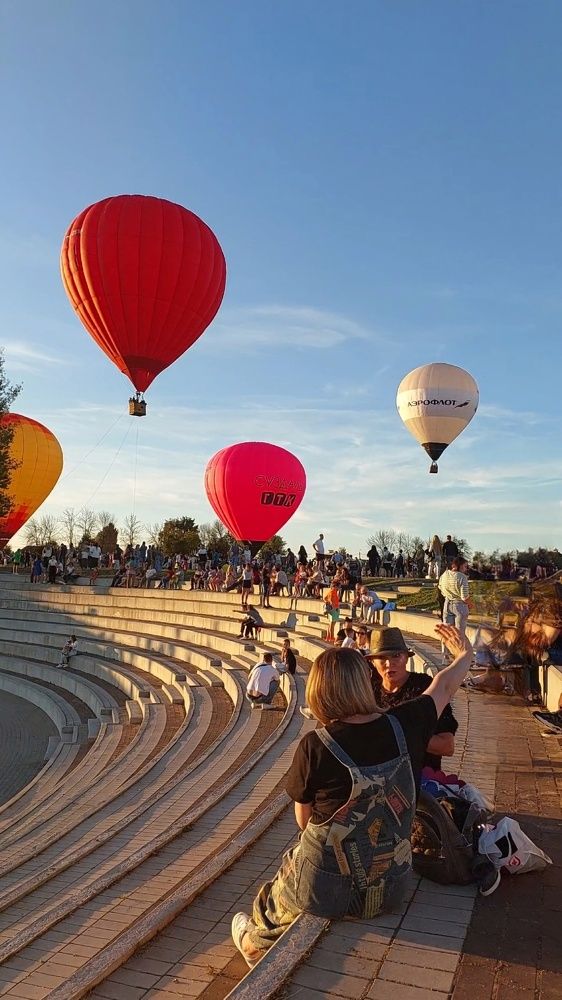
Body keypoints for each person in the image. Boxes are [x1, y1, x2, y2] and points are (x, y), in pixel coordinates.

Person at [232, 625, 473, 965]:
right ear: (363, 682)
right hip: (390, 888)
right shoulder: (405, 723)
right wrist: (466, 655)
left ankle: (255, 935)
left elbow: (305, 822)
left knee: (285, 874)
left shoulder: (315, 745)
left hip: (324, 892)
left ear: (319, 690)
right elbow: (445, 685)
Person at [368, 627, 457, 769]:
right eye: (382, 658)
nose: (389, 664)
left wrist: (398, 734)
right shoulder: (368, 691)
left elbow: (447, 746)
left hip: (422, 780)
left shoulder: (425, 687)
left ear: (406, 657)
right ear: (372, 662)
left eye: (396, 656)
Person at [438, 557, 470, 637]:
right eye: (465, 566)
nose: (466, 569)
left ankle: (444, 649)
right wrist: (471, 604)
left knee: (447, 634)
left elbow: (440, 587)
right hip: (460, 606)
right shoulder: (462, 577)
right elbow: (464, 597)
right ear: (459, 565)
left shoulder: (444, 574)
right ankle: (459, 649)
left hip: (447, 604)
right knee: (459, 635)